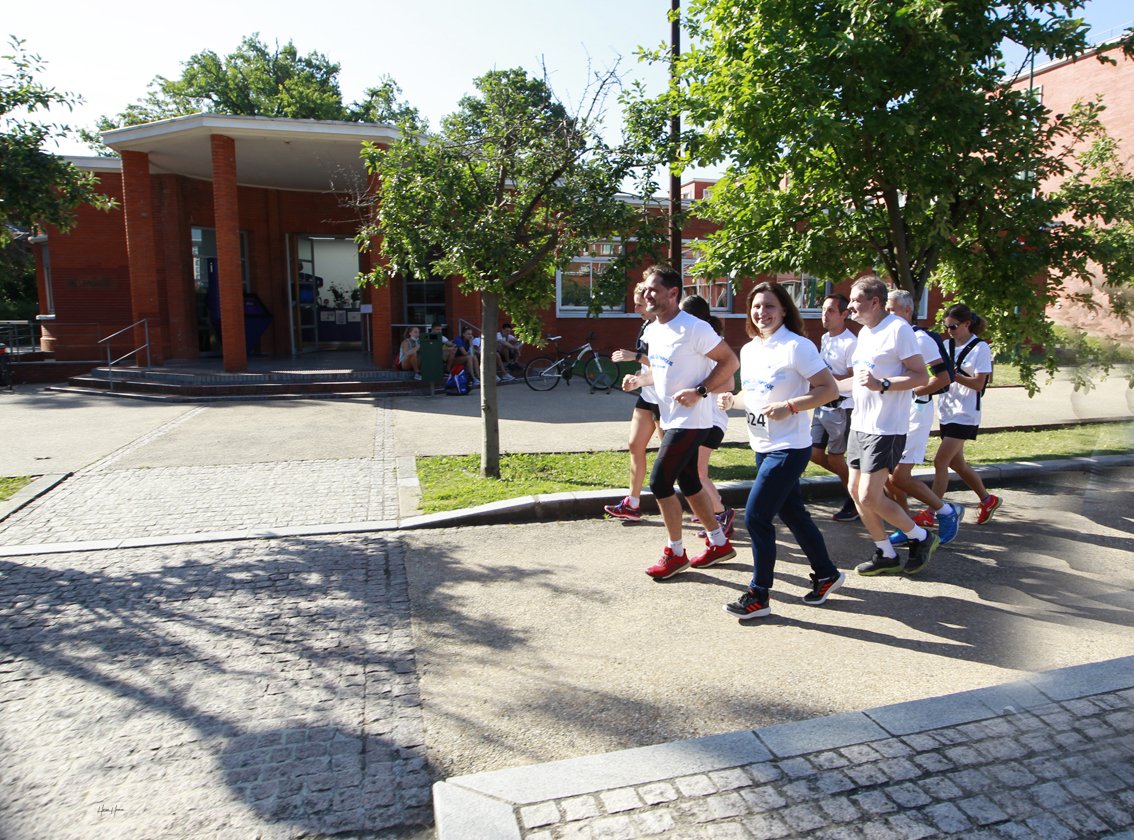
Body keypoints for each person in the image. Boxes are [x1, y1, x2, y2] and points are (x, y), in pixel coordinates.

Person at [717, 282, 845, 620]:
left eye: (769, 306)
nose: (762, 313)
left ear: (784, 309)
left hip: (789, 447)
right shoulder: (750, 349)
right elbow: (755, 394)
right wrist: (733, 400)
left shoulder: (797, 347)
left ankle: (759, 594)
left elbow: (828, 390)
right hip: (762, 444)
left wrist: (790, 406)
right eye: (757, 306)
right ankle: (827, 573)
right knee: (793, 514)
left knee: (756, 516)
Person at [619, 265, 739, 580]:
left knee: (660, 481)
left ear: (673, 293)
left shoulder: (694, 328)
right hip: (670, 417)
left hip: (694, 418)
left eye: (653, 289)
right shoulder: (653, 330)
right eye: (644, 289)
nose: (646, 294)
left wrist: (701, 390)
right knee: (689, 482)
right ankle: (719, 543)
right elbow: (661, 372)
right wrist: (638, 379)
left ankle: (675, 552)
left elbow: (730, 361)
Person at [844, 275, 939, 576]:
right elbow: (860, 379)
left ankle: (921, 537)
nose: (850, 307)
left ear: (874, 302)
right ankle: (884, 552)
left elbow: (920, 377)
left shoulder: (897, 329)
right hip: (860, 424)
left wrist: (882, 383)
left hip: (886, 427)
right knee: (855, 490)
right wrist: (822, 389)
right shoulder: (864, 333)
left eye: (855, 301)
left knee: (871, 496)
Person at [883, 290, 964, 545]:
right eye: (886, 310)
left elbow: (944, 377)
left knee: (900, 477)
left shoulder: (920, 339)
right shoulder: (889, 338)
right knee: (886, 476)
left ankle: (947, 511)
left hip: (915, 413)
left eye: (892, 310)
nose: (888, 315)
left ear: (908, 311)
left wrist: (913, 389)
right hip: (892, 414)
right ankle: (908, 528)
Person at [927, 303, 1002, 524]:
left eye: (954, 326)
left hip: (966, 413)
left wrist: (953, 375)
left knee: (940, 461)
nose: (949, 331)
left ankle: (932, 513)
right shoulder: (946, 344)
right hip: (947, 411)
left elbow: (979, 384)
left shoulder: (981, 348)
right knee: (956, 463)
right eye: (947, 327)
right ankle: (987, 499)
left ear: (967, 324)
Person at [679, 293, 736, 538]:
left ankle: (721, 513)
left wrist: (698, 389)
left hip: (712, 419)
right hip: (702, 418)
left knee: (697, 472)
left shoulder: (709, 343)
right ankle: (712, 506)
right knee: (695, 470)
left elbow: (729, 383)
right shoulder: (696, 341)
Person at [604, 283, 661, 522]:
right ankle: (633, 503)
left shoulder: (666, 327)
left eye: (639, 303)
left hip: (664, 399)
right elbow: (646, 366)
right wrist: (634, 379)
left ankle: (715, 509)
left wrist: (635, 356)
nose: (636, 307)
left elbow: (665, 364)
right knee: (635, 444)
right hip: (647, 393)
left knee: (675, 459)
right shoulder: (647, 325)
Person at [810, 293, 859, 522]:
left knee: (837, 458)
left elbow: (854, 377)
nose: (825, 315)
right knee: (814, 453)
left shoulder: (851, 343)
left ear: (844, 314)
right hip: (822, 405)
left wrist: (826, 378)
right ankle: (859, 486)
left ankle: (855, 500)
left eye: (830, 311)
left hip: (842, 407)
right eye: (823, 311)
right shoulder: (825, 338)